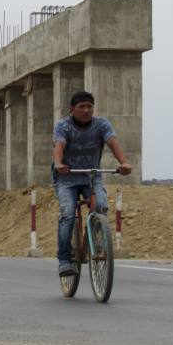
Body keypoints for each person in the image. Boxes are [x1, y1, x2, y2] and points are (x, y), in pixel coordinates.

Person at [52, 91, 131, 276]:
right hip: (67, 177)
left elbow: (112, 143)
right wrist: (58, 164)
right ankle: (64, 259)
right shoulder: (63, 125)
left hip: (91, 176)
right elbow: (59, 145)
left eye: (89, 107)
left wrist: (124, 163)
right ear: (72, 109)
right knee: (68, 213)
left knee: (101, 205)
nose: (86, 110)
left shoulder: (101, 124)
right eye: (81, 107)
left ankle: (95, 241)